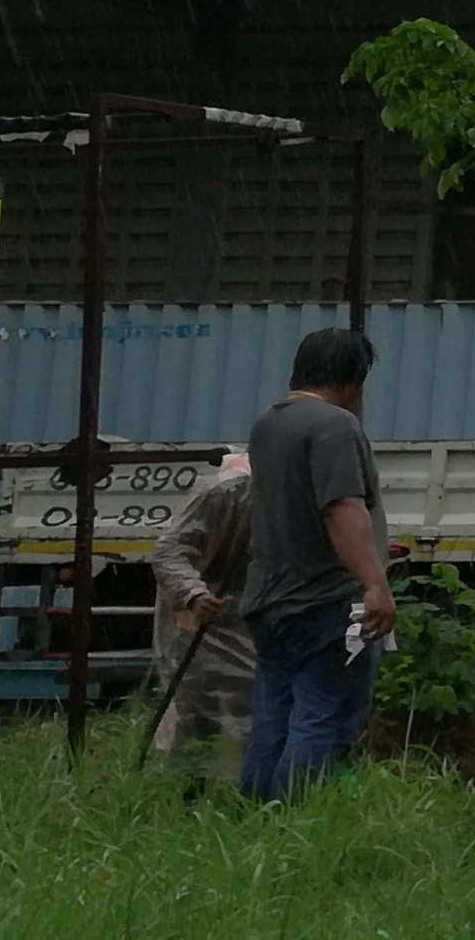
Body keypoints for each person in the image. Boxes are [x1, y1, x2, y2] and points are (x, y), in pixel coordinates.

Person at [232, 327, 391, 801]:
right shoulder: (335, 426)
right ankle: (293, 827)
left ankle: (253, 824)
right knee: (324, 718)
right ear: (354, 379)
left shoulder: (269, 423)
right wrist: (374, 584)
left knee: (273, 722)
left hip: (269, 600)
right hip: (326, 602)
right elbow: (341, 509)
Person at [141, 444, 258, 790]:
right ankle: (190, 793)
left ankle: (241, 791)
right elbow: (171, 551)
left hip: (248, 619)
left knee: (252, 713)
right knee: (198, 711)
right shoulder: (228, 493)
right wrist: (193, 594)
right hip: (201, 619)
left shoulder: (296, 491)